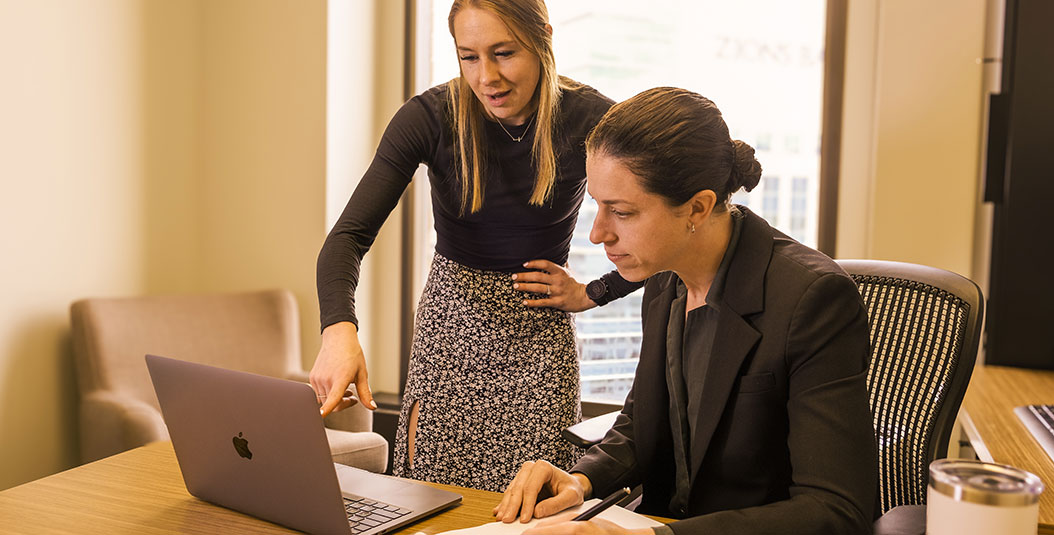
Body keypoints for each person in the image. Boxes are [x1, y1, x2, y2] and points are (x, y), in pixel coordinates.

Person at [494, 87, 878, 534]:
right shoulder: (663, 276)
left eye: (621, 212)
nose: (598, 234)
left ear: (698, 207)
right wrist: (581, 480)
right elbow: (643, 425)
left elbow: (834, 509)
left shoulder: (812, 299)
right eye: (597, 205)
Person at [310, 0, 641, 492]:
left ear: (544, 37)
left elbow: (663, 231)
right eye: (469, 57)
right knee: (427, 500)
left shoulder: (592, 120)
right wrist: (339, 331)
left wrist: (593, 292)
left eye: (504, 53)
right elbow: (347, 238)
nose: (487, 76)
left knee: (532, 506)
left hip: (537, 335)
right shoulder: (429, 117)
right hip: (449, 326)